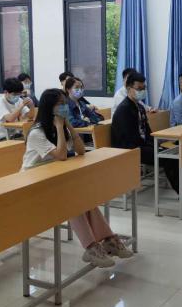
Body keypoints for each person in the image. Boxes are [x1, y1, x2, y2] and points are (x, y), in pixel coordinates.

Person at [22, 88, 132, 266]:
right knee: (73, 201)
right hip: (32, 184)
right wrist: (60, 127)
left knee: (84, 199)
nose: (65, 107)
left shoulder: (61, 128)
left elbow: (81, 151)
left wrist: (68, 126)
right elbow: (62, 155)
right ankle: (91, 247)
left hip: (54, 177)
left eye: (65, 104)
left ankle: (108, 240)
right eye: (60, 104)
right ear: (49, 107)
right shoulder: (37, 132)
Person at [111, 72, 182, 202]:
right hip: (129, 149)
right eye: (139, 88)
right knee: (168, 158)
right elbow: (130, 140)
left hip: (141, 144)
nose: (142, 91)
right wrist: (155, 147)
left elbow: (147, 131)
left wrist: (157, 144)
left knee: (174, 151)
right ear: (129, 89)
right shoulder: (124, 110)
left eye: (144, 88)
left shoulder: (139, 106)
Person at [0, 78, 35, 144]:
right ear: (6, 92)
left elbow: (30, 116)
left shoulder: (19, 100)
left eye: (19, 94)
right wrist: (22, 105)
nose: (17, 96)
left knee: (32, 141)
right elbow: (10, 119)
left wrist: (32, 106)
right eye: (15, 94)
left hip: (13, 135)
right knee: (24, 144)